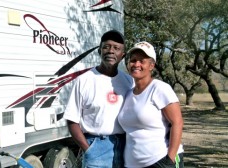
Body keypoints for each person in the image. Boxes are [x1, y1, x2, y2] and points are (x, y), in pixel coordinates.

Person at [63, 30, 134, 168]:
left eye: (116, 48)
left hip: (126, 147)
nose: (111, 51)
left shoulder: (129, 82)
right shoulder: (84, 80)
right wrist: (88, 150)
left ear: (122, 55)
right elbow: (72, 120)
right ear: (99, 51)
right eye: (106, 47)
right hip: (96, 148)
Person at [118, 41, 184, 168]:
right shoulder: (128, 94)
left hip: (159, 161)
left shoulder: (160, 89)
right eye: (133, 60)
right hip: (132, 164)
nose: (136, 64)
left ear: (151, 65)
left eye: (142, 61)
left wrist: (169, 160)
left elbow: (178, 123)